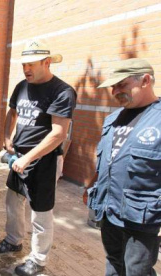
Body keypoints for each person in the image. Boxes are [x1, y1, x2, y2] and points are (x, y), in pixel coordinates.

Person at [0, 40, 76, 276]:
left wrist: (28, 157)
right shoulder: (22, 86)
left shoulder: (62, 91)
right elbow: (13, 112)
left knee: (41, 212)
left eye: (31, 65)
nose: (26, 69)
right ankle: (13, 240)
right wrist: (8, 138)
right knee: (13, 202)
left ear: (47, 63)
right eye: (23, 65)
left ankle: (38, 260)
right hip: (19, 157)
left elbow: (58, 133)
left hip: (44, 160)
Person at [86, 58, 161, 276]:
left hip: (141, 215)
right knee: (113, 264)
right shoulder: (112, 119)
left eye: (122, 84)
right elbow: (107, 160)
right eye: (113, 86)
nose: (115, 91)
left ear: (145, 80)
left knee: (137, 271)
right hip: (109, 209)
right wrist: (90, 187)